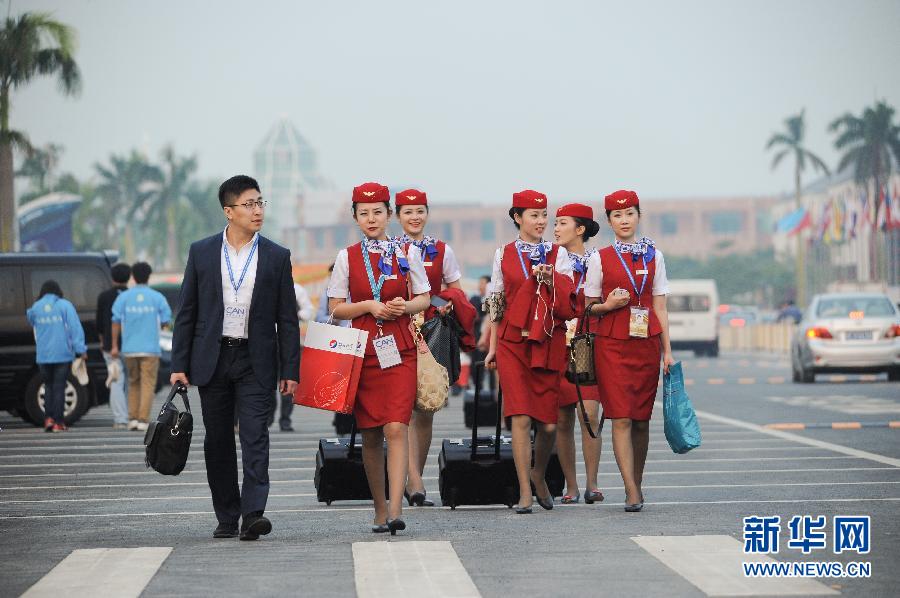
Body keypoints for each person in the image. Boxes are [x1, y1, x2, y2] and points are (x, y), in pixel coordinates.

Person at [170, 175, 300, 541]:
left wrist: (290, 368)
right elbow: (187, 312)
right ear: (229, 211)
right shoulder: (202, 252)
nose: (258, 210)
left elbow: (287, 318)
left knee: (256, 435)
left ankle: (253, 513)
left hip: (256, 359)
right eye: (249, 204)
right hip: (212, 359)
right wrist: (179, 365)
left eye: (260, 203)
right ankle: (227, 515)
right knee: (218, 440)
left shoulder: (276, 256)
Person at [327, 182, 431, 535]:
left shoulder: (407, 251)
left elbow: (425, 297)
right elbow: (335, 308)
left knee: (396, 426)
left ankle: (397, 509)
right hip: (363, 351)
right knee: (371, 433)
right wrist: (370, 306)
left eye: (377, 212)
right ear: (355, 217)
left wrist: (405, 306)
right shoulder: (347, 257)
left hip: (400, 348)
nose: (371, 219)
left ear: (389, 215)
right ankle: (380, 508)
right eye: (364, 213)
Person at [484, 190, 576, 514]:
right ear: (517, 217)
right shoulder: (503, 254)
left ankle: (539, 473)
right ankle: (525, 490)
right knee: (520, 416)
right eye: (534, 215)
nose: (541, 221)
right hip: (512, 344)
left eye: (543, 215)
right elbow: (496, 303)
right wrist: (493, 348)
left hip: (547, 342)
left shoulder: (558, 254)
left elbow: (570, 300)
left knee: (548, 424)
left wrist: (552, 280)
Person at [584, 190, 674, 512]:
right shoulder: (600, 258)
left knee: (641, 420)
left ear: (638, 216)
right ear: (609, 221)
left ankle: (637, 480)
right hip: (611, 345)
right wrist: (608, 305)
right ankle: (630, 489)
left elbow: (660, 307)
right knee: (620, 416)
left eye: (629, 214)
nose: (624, 220)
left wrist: (667, 351)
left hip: (646, 344)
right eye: (617, 216)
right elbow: (588, 307)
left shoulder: (654, 256)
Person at [394, 188, 470, 508]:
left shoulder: (442, 250)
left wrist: (443, 304)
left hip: (431, 333)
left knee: (426, 407)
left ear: (427, 213)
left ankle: (415, 477)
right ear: (397, 216)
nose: (415, 217)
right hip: (396, 331)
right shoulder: (389, 248)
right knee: (399, 408)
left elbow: (456, 291)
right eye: (408, 211)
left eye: (420, 211)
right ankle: (412, 479)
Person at [552, 203, 605, 505]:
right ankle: (570, 486)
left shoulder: (599, 260)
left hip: (588, 344)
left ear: (580, 229)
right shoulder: (549, 259)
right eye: (555, 223)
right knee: (562, 419)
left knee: (590, 413)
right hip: (557, 343)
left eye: (562, 223)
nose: (556, 229)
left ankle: (592, 483)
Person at [111, 262, 172, 432]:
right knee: (147, 384)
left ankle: (132, 419)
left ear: (133, 277)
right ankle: (143, 420)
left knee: (133, 383)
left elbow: (115, 321)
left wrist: (114, 345)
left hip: (129, 348)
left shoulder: (123, 297)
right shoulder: (157, 297)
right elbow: (166, 320)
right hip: (150, 349)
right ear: (148, 276)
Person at [26, 280, 87, 432]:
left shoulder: (36, 307)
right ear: (58, 291)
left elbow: (31, 319)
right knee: (59, 387)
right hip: (62, 354)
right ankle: (59, 422)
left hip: (43, 355)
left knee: (48, 386)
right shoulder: (65, 306)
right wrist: (80, 349)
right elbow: (75, 328)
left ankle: (48, 419)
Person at [272, 281, 314, 433]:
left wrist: (292, 316)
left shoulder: (297, 289)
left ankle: (285, 419)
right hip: (266, 340)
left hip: (287, 339)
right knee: (266, 381)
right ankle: (268, 416)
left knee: (288, 380)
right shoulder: (263, 284)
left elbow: (308, 310)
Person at [96, 262, 131, 430]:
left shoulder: (104, 297)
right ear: (129, 277)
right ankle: (132, 415)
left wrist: (103, 341)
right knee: (132, 382)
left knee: (116, 381)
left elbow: (99, 323)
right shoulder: (131, 295)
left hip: (111, 347)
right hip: (132, 346)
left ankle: (120, 419)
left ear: (112, 277)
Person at [469, 275, 495, 392]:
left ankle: (493, 391)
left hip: (490, 336)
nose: (480, 286)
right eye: (479, 283)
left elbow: (491, 316)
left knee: (493, 365)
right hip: (478, 336)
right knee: (477, 362)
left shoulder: (492, 297)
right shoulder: (475, 299)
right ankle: (477, 388)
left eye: (483, 283)